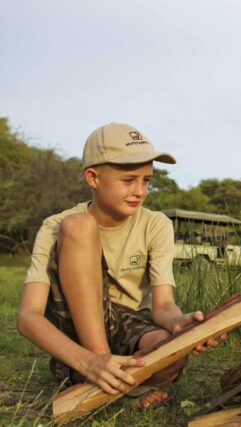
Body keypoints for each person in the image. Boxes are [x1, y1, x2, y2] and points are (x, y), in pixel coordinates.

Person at [16, 123, 216, 408]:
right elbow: (28, 317)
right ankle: (95, 366)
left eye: (146, 180)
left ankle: (84, 375)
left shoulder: (155, 224)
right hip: (78, 328)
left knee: (173, 359)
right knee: (79, 226)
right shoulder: (57, 226)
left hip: (130, 325)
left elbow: (162, 306)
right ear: (93, 177)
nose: (140, 191)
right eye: (129, 180)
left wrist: (177, 323)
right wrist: (92, 359)